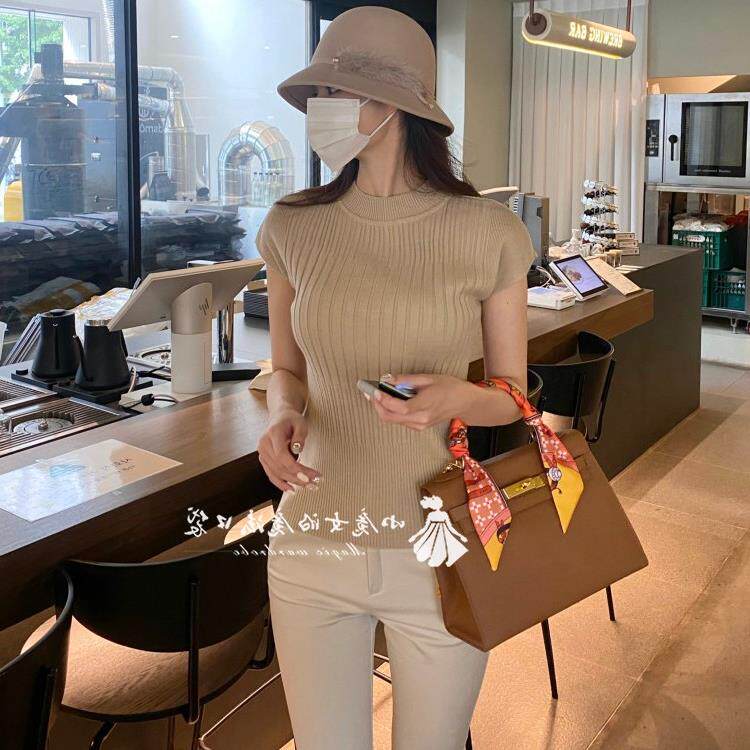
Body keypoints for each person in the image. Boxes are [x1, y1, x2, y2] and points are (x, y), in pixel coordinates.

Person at [255, 7, 536, 749]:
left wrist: (459, 398)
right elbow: (286, 370)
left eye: (336, 92)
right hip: (314, 539)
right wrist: (280, 416)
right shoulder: (291, 226)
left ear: (395, 105)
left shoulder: (488, 231)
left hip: (438, 545)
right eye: (319, 93)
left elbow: (512, 395)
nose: (321, 110)